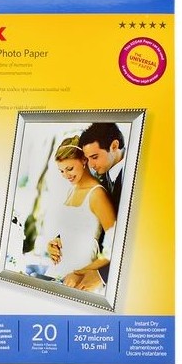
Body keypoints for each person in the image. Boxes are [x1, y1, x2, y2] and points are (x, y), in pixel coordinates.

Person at [48, 123, 126, 289]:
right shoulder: (71, 190)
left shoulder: (97, 194)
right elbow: (75, 227)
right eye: (61, 171)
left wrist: (80, 273)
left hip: (82, 278)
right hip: (61, 271)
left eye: (69, 168)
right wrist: (55, 243)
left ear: (83, 160)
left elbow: (114, 247)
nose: (66, 175)